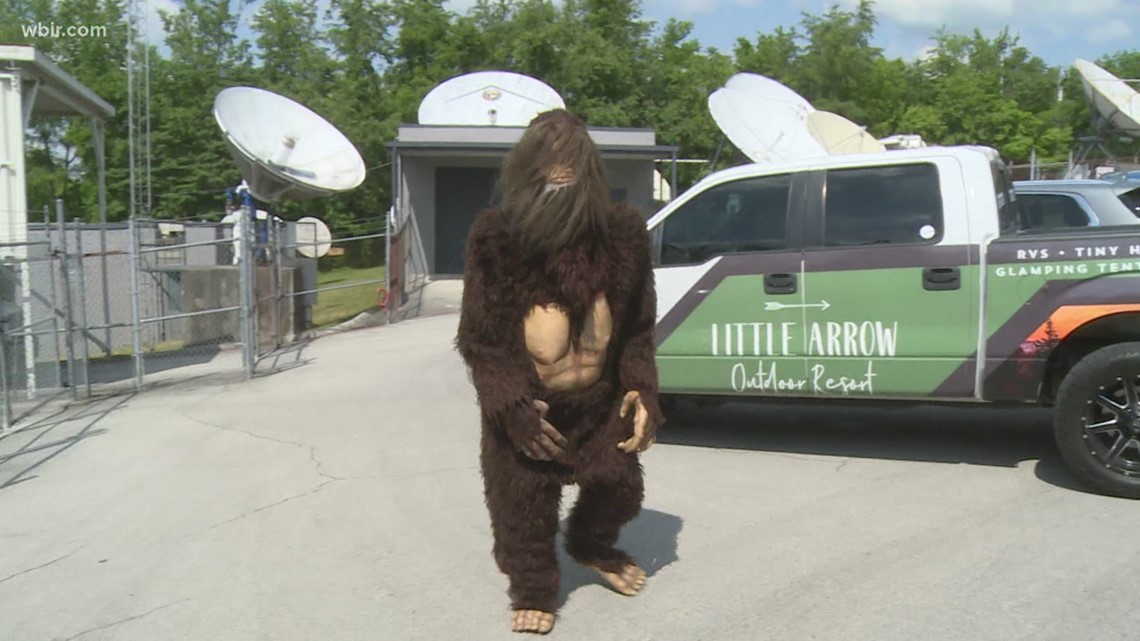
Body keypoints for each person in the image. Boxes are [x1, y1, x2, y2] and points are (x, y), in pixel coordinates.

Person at [455, 109, 665, 634]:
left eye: (571, 159)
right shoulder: (497, 238)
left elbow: (637, 326)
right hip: (532, 407)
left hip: (598, 405)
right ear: (526, 170)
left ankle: (591, 545)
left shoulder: (623, 234)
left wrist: (643, 391)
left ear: (590, 168)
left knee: (620, 485)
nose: (560, 171)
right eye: (548, 160)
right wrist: (510, 407)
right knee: (521, 510)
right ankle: (532, 589)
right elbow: (480, 341)